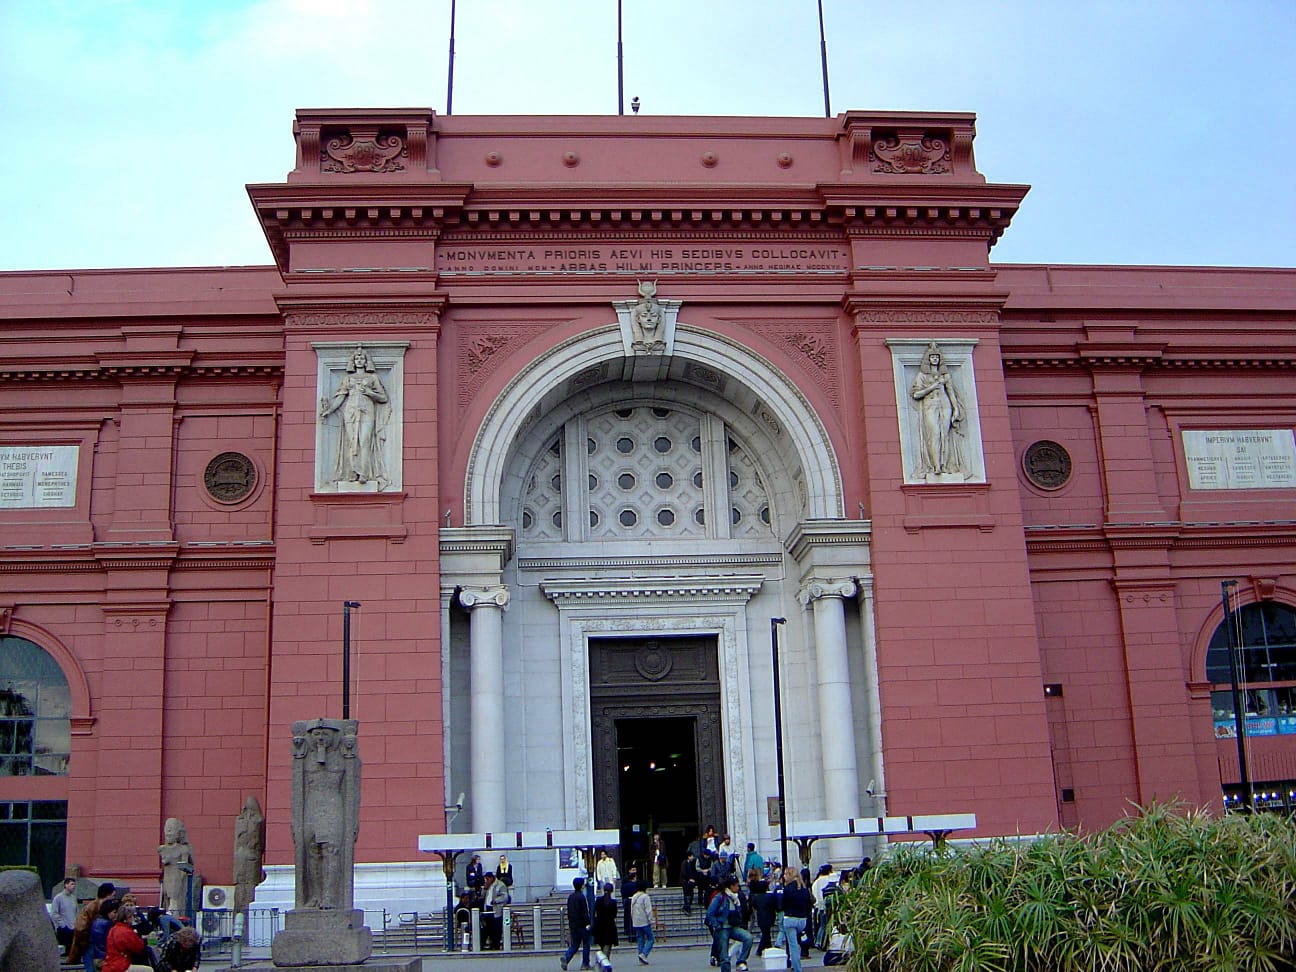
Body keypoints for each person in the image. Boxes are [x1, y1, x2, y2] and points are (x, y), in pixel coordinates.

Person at [319, 345, 391, 487]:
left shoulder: (372, 378)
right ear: (353, 361)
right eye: (356, 358)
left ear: (366, 361)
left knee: (364, 440)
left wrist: (370, 393)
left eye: (362, 358)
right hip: (350, 411)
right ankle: (352, 473)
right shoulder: (348, 378)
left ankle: (364, 473)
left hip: (367, 410)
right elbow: (340, 398)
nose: (359, 360)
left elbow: (383, 398)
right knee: (352, 441)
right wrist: (329, 410)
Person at [909, 342, 966, 478]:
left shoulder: (945, 376)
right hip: (930, 404)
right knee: (934, 433)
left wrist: (956, 408)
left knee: (944, 435)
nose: (934, 359)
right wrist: (932, 387)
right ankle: (936, 466)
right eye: (932, 357)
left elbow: (951, 393)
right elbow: (916, 394)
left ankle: (945, 465)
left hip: (945, 404)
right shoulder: (922, 376)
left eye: (937, 357)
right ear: (928, 359)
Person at [704, 875, 753, 972]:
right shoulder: (720, 897)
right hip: (722, 927)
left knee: (748, 938)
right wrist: (717, 925)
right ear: (730, 886)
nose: (738, 888)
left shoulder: (735, 897)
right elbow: (710, 913)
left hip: (733, 926)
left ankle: (741, 961)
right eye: (736, 886)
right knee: (724, 956)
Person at [69, 881, 115, 968]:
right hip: (90, 944)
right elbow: (80, 928)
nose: (113, 898)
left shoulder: (99, 906)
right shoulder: (92, 907)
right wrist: (85, 941)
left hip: (95, 944)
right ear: (107, 895)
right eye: (113, 895)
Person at [777, 868, 812, 972]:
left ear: (789, 875)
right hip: (802, 919)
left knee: (793, 947)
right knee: (798, 940)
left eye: (785, 874)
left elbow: (782, 905)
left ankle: (797, 968)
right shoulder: (804, 889)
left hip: (790, 918)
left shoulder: (787, 889)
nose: (784, 876)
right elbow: (808, 905)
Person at [158, 816, 194, 914]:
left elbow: (186, 865)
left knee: (176, 898)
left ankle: (175, 912)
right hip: (168, 875)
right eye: (167, 830)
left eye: (171, 830)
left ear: (178, 834)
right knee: (167, 896)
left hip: (178, 875)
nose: (168, 832)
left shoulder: (183, 849)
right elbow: (164, 860)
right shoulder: (162, 849)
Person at [102, 900, 151, 972]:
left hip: (110, 964)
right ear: (125, 919)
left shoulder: (114, 929)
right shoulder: (126, 931)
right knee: (149, 970)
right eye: (130, 917)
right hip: (120, 966)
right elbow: (138, 948)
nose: (132, 919)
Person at [560, 876, 593, 972]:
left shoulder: (571, 897)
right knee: (586, 943)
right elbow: (584, 912)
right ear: (582, 886)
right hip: (582, 925)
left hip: (573, 925)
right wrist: (587, 923)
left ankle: (566, 957)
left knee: (575, 944)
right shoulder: (581, 897)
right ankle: (585, 963)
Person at [87, 897, 120, 972]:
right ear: (107, 912)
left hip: (96, 957)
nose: (117, 915)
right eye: (114, 912)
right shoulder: (108, 924)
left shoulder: (96, 922)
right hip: (105, 959)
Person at [592, 882, 619, 971]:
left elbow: (594, 912)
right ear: (612, 891)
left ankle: (601, 964)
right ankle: (604, 964)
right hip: (609, 926)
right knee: (607, 947)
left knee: (602, 945)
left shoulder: (599, 900)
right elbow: (614, 915)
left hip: (599, 926)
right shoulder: (613, 902)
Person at [749, 867, 775, 955]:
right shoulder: (758, 886)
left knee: (765, 931)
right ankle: (763, 948)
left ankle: (766, 947)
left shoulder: (752, 885)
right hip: (763, 910)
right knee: (766, 932)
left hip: (758, 908)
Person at [481, 871, 509, 949]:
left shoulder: (500, 885)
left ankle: (496, 945)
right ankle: (489, 943)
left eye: (488, 879)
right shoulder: (487, 886)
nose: (487, 880)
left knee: (496, 929)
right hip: (487, 908)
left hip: (496, 909)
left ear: (492, 878)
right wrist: (485, 888)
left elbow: (505, 897)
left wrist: (496, 900)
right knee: (487, 928)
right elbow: (482, 896)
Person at [51, 877, 79, 952]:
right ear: (66, 885)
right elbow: (54, 913)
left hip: (73, 927)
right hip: (63, 928)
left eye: (74, 884)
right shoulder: (58, 898)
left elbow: (76, 912)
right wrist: (62, 925)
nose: (74, 886)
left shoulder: (73, 898)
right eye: (72, 884)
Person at [629, 885, 655, 965]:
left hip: (636, 921)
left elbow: (631, 909)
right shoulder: (645, 897)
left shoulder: (634, 897)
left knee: (640, 939)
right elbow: (648, 910)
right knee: (651, 938)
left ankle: (641, 957)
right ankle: (644, 954)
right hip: (644, 921)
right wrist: (652, 920)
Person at [620, 867, 639, 940]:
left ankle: (627, 930)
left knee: (627, 916)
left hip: (626, 900)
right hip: (631, 901)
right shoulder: (632, 885)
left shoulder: (625, 884)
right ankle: (632, 933)